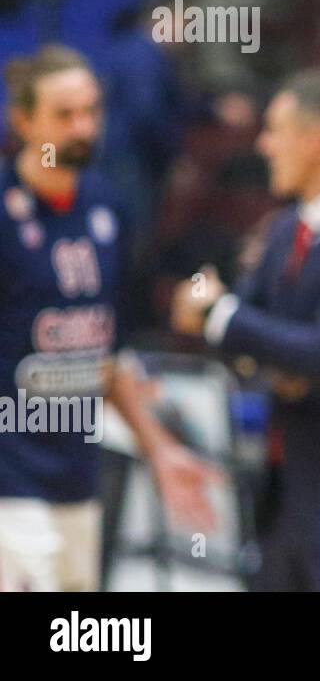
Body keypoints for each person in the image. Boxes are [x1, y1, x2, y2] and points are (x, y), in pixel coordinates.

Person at [0, 44, 217, 591]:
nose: (83, 127)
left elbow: (108, 358)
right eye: (65, 114)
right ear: (22, 120)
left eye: (92, 111)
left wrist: (161, 450)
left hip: (79, 482)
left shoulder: (108, 206)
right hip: (8, 491)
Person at [170, 70, 320, 591]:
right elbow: (250, 324)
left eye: (275, 130)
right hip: (275, 487)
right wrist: (257, 348)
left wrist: (217, 316)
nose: (264, 145)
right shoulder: (287, 227)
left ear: (314, 142)